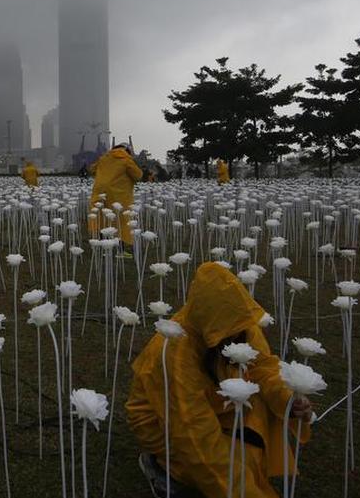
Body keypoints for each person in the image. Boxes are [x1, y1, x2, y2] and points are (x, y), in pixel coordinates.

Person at [127, 262, 311, 498]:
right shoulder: (174, 351)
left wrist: (288, 399)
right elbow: (192, 431)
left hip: (213, 404)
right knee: (217, 457)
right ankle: (163, 467)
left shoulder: (237, 323)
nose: (235, 339)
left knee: (260, 418)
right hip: (162, 422)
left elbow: (264, 366)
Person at [87, 143, 143, 246]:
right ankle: (121, 246)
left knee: (102, 217)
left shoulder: (104, 158)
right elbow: (138, 175)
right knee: (121, 219)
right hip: (119, 193)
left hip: (100, 191)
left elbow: (92, 169)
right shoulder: (126, 159)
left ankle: (102, 243)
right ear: (127, 150)